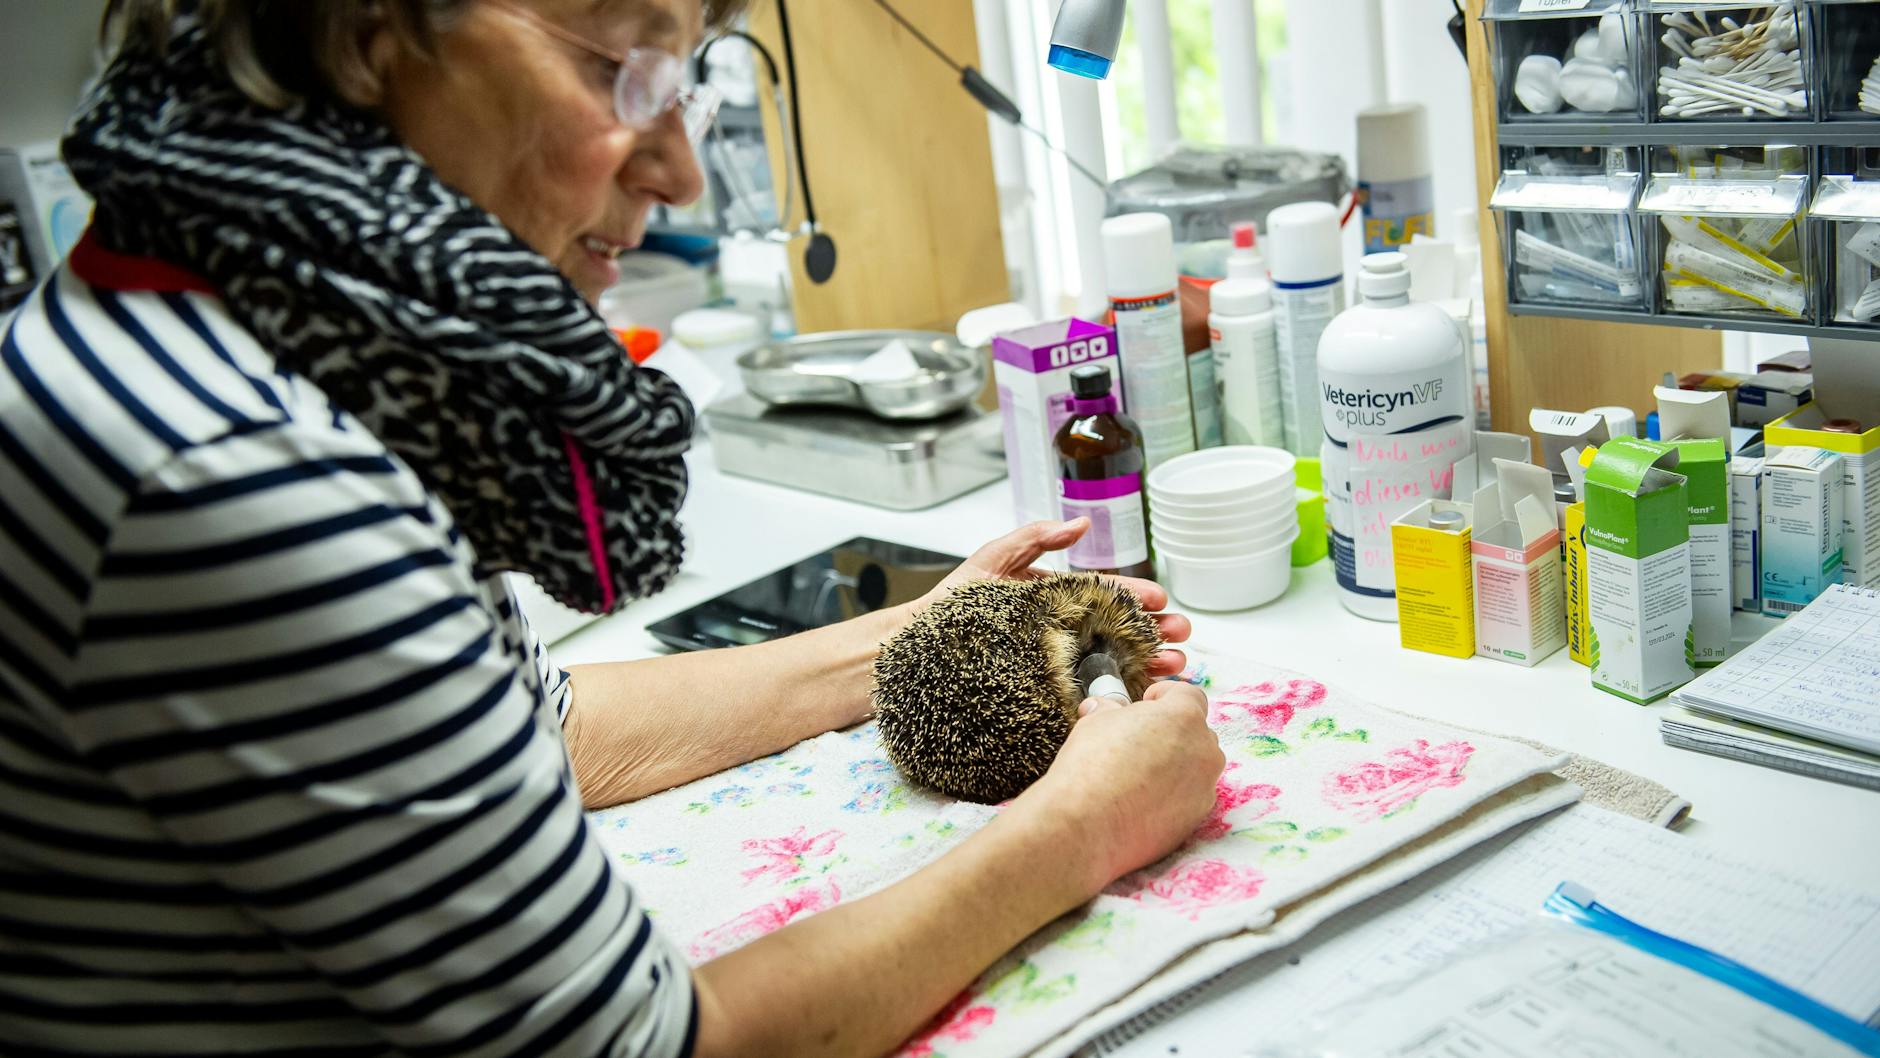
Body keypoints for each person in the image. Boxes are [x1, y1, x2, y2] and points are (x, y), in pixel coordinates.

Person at [0, 1, 1225, 1055]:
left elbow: (543, 725)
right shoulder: (246, 478)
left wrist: (910, 637)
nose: (681, 173)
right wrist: (1080, 829)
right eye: (619, 66)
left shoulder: (236, 326)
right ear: (368, 32)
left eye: (683, 77)